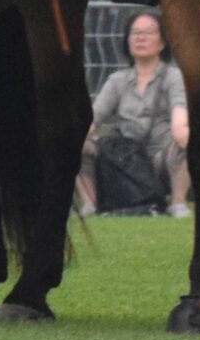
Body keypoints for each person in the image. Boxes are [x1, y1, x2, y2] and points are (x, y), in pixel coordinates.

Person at [79, 11, 190, 216]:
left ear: (163, 42)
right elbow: (93, 119)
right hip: (124, 161)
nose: (140, 38)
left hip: (159, 158)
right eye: (135, 33)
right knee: (77, 144)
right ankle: (90, 204)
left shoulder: (173, 77)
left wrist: (183, 132)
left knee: (188, 142)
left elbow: (179, 118)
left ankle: (177, 203)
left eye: (148, 32)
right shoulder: (117, 81)